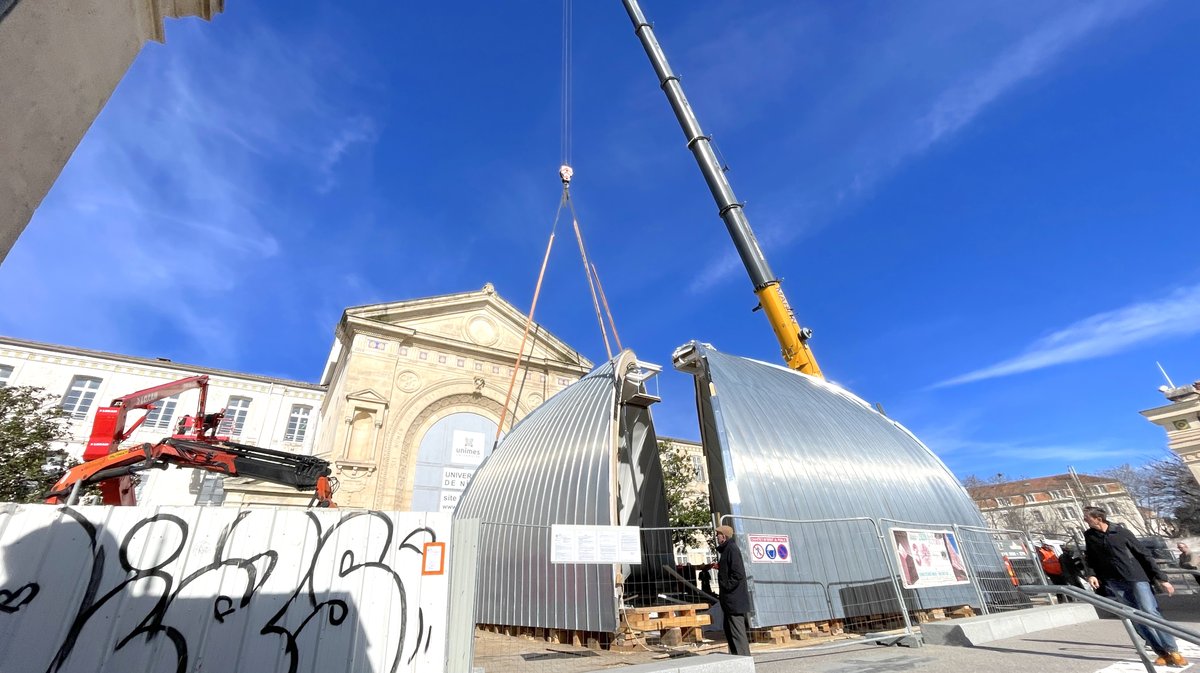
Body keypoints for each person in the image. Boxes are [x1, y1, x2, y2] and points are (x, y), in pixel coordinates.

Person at [1083, 506, 1187, 667]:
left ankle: (1173, 650)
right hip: (1114, 581)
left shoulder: (1121, 532)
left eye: (1087, 517)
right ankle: (1162, 652)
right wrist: (1091, 574)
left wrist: (1161, 578)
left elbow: (1143, 554)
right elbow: (1090, 557)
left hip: (1136, 578)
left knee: (1149, 612)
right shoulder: (1089, 536)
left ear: (1098, 518)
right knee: (1135, 618)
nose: (1085, 520)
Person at [715, 525, 750, 656]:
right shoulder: (726, 550)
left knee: (737, 632)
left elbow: (737, 574)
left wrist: (726, 586)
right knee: (730, 631)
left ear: (724, 536)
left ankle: (744, 659)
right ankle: (736, 659)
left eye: (718, 534)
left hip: (734, 601)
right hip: (729, 601)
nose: (716, 537)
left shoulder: (732, 550)